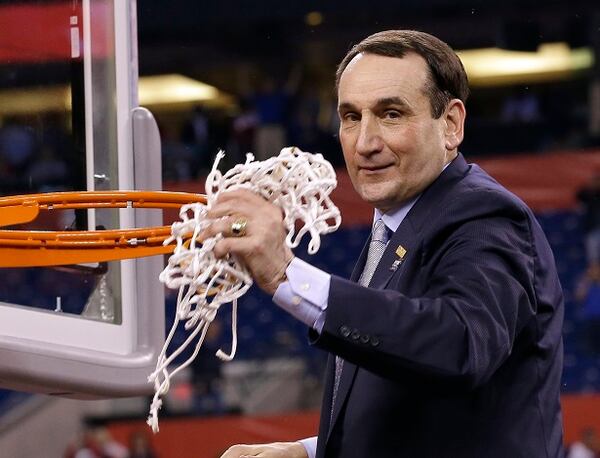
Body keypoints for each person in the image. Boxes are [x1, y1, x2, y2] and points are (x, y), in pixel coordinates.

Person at [205, 30, 564, 457]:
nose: (365, 143)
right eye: (351, 117)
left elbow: (458, 346)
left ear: (450, 124)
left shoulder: (485, 216)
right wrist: (309, 451)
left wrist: (286, 273)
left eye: (391, 114)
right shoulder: (394, 231)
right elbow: (428, 414)